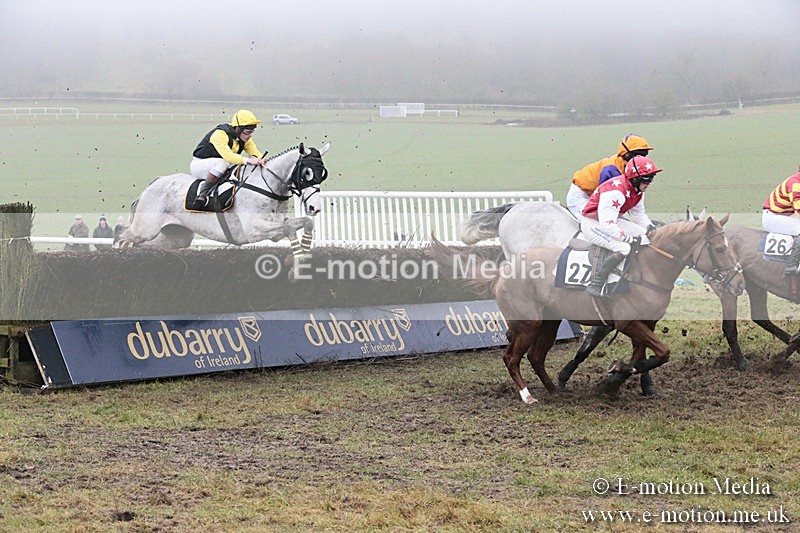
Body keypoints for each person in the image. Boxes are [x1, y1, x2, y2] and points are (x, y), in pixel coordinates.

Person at [580, 155, 662, 297]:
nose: (649, 182)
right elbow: (608, 225)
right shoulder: (616, 193)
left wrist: (652, 230)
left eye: (651, 177)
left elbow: (639, 216)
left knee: (645, 235)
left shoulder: (637, 191)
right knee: (623, 247)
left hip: (609, 221)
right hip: (593, 224)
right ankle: (596, 284)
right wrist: (631, 239)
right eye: (647, 178)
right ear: (635, 178)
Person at [190, 109, 267, 208]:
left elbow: (255, 152)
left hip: (218, 166)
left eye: (252, 132)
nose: (250, 135)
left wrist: (261, 159)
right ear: (238, 129)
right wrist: (248, 160)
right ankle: (202, 194)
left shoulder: (244, 138)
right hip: (200, 165)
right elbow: (228, 156)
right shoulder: (220, 134)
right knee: (223, 163)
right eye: (248, 132)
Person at [566, 133, 654, 219]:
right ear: (626, 154)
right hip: (581, 196)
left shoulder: (628, 166)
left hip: (593, 194)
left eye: (643, 155)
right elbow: (604, 198)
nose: (640, 158)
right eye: (637, 154)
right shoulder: (612, 170)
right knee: (596, 223)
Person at [762, 165, 800, 274]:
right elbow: (798, 209)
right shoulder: (795, 184)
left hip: (782, 216)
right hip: (772, 218)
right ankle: (792, 265)